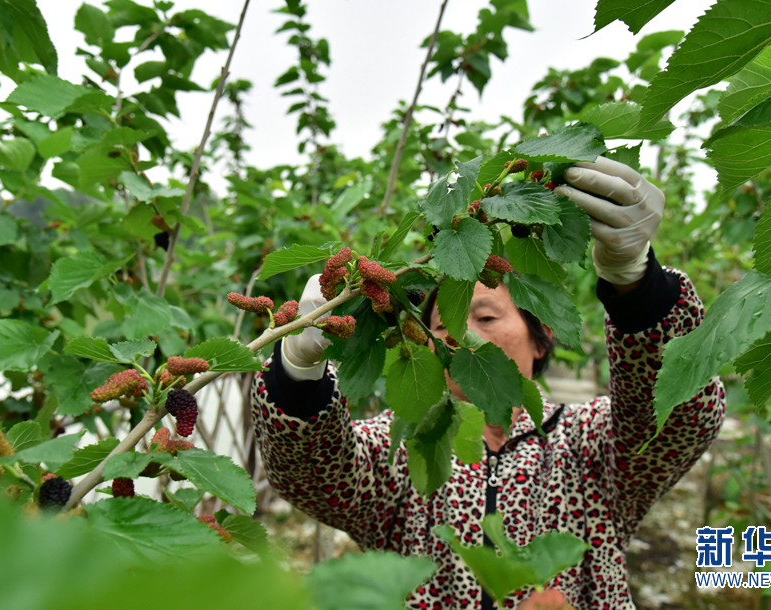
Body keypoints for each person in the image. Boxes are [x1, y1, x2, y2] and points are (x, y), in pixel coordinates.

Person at [250, 156, 726, 610]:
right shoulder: (404, 448)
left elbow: (679, 417)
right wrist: (296, 366)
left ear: (540, 341)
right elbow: (313, 478)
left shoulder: (588, 444)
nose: (461, 334)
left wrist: (639, 288)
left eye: (486, 315)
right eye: (441, 323)